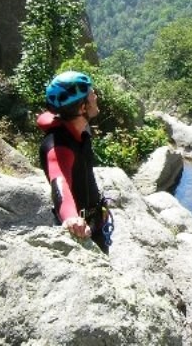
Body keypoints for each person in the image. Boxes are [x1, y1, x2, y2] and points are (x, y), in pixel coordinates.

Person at [37, 71, 113, 253]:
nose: (95, 95)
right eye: (91, 93)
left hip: (95, 224)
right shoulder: (59, 146)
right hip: (80, 231)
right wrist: (71, 218)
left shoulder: (76, 130)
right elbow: (59, 182)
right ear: (82, 107)